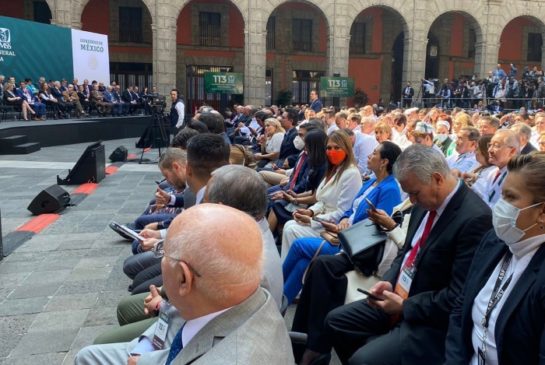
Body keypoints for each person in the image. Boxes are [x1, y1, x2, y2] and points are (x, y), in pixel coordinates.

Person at [321, 144, 492, 364]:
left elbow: (458, 296)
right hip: (399, 296)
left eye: (414, 193)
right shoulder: (424, 200)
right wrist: (389, 282)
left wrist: (406, 306)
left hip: (429, 320)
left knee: (363, 360)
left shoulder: (475, 219)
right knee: (335, 322)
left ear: (438, 179)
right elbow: (407, 251)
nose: (411, 201)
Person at [75, 204, 294, 365]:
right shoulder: (247, 296)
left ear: (183, 278)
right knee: (87, 356)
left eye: (164, 252)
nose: (160, 258)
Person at [445, 152, 545, 365]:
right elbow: (461, 308)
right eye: (501, 195)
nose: (500, 205)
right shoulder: (494, 240)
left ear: (542, 212)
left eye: (510, 197)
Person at [282, 141, 402, 304]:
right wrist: (344, 220)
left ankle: (277, 290)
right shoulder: (370, 182)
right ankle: (281, 301)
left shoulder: (390, 190)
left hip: (353, 246)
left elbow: (375, 227)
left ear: (384, 162)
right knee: (303, 262)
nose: (369, 155)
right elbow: (350, 210)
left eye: (374, 153)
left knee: (298, 245)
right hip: (342, 233)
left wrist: (342, 230)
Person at [280, 130, 362, 259]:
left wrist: (313, 220)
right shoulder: (333, 169)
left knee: (291, 229)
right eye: (329, 148)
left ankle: (289, 268)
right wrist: (310, 212)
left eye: (337, 148)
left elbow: (342, 212)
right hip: (321, 218)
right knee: (290, 224)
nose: (332, 151)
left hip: (331, 226)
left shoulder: (351, 174)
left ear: (346, 149)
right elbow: (322, 200)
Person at [480, 129, 519, 207]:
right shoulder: (493, 171)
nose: (489, 150)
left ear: (512, 151)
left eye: (496, 145)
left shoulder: (516, 178)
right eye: (490, 145)